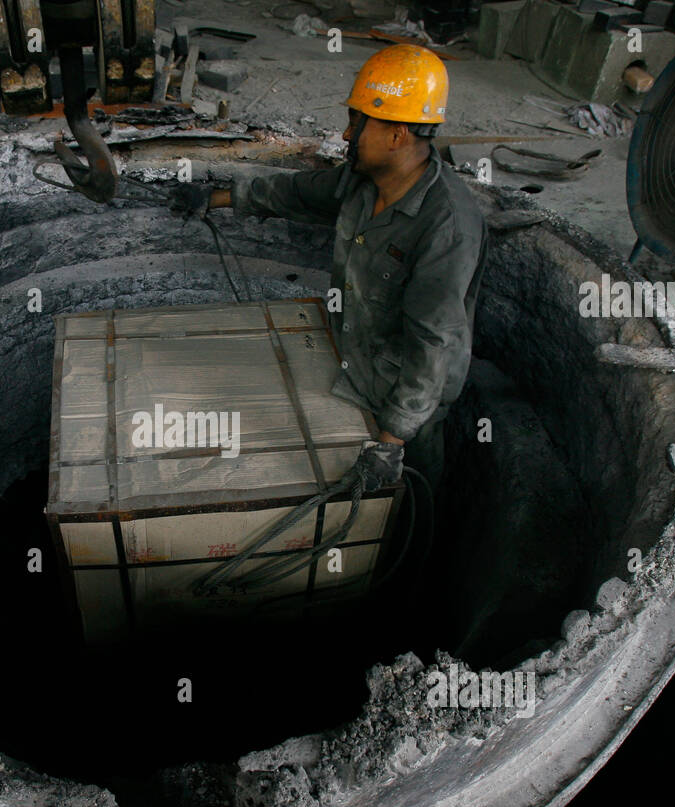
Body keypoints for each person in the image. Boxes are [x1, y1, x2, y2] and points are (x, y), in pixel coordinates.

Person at [172, 44, 488, 495]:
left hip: (404, 409)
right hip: (353, 370)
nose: (345, 134)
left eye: (357, 123)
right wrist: (216, 198)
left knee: (403, 507)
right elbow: (298, 194)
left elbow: (432, 344)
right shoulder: (364, 182)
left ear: (397, 134)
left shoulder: (447, 226)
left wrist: (391, 443)